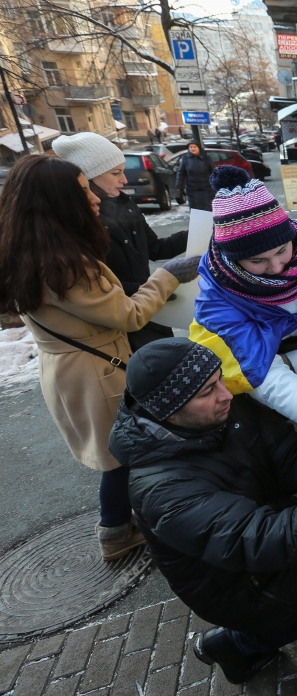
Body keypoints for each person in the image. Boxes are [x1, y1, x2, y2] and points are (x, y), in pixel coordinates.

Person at [108, 338, 297, 683]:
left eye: (219, 379)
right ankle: (239, 642)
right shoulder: (163, 492)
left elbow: (288, 457)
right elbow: (272, 542)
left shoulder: (221, 410)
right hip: (244, 588)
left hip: (268, 528)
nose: (226, 394)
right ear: (169, 412)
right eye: (206, 391)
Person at [0, 156, 202, 560]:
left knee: (119, 454)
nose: (93, 198)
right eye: (82, 191)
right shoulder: (66, 265)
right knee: (123, 455)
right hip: (97, 373)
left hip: (71, 367)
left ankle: (120, 527)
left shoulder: (28, 249)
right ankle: (118, 531)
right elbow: (127, 315)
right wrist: (168, 276)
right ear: (56, 202)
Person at [189, 166, 297, 443]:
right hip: (261, 393)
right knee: (277, 445)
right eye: (257, 261)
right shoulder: (219, 298)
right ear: (233, 259)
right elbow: (258, 371)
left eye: (281, 250)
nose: (276, 267)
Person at [53, 132, 188, 350]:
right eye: (116, 173)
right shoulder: (78, 222)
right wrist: (158, 286)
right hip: (119, 326)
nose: (124, 180)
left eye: (123, 172)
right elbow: (93, 286)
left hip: (150, 312)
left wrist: (200, 233)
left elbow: (154, 248)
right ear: (88, 177)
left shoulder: (125, 204)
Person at [175, 142, 216, 211]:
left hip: (207, 189)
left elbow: (213, 171)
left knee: (207, 208)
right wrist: (179, 185)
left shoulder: (206, 158)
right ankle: (196, 221)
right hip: (192, 189)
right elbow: (181, 172)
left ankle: (207, 221)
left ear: (198, 148)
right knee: (195, 209)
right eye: (190, 147)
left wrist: (217, 184)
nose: (192, 149)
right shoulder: (185, 158)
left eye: (194, 147)